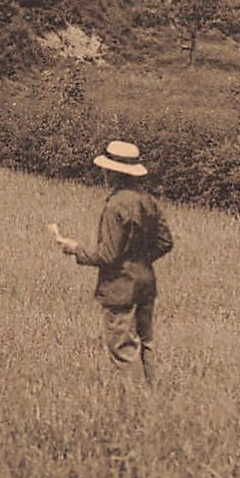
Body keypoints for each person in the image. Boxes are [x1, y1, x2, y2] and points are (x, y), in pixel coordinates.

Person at [55, 141, 173, 385]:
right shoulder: (147, 200)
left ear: (113, 172)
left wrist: (74, 249)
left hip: (121, 288)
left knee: (123, 350)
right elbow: (165, 242)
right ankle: (152, 396)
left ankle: (135, 408)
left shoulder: (115, 206)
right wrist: (140, 260)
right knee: (146, 343)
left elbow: (106, 255)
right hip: (146, 283)